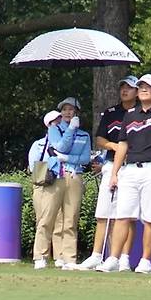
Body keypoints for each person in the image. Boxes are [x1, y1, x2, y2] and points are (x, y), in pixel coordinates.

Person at [96, 73, 151, 273]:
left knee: (150, 217)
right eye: (141, 85)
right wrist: (115, 173)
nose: (143, 89)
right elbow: (122, 145)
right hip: (130, 169)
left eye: (148, 86)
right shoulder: (130, 115)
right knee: (123, 215)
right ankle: (113, 259)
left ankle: (145, 261)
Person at [77, 75, 139, 271]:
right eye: (122, 87)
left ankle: (123, 259)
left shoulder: (142, 114)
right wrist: (113, 145)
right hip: (111, 165)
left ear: (137, 91)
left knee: (127, 215)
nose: (124, 90)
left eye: (129, 87)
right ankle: (97, 255)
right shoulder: (111, 113)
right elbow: (100, 139)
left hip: (133, 167)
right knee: (103, 213)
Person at [48, 97, 92, 270]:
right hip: (57, 175)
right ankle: (58, 255)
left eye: (71, 109)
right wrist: (70, 129)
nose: (67, 112)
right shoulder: (54, 129)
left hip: (75, 175)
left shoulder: (84, 135)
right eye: (64, 109)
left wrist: (68, 158)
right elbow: (60, 146)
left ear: (77, 113)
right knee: (57, 216)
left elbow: (85, 158)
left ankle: (69, 257)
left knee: (71, 216)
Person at [29, 110, 62, 270]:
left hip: (61, 182)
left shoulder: (65, 142)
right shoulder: (39, 144)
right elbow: (33, 166)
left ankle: (59, 256)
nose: (58, 124)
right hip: (43, 184)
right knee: (44, 220)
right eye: (55, 122)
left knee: (60, 221)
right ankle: (41, 256)